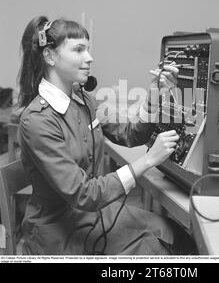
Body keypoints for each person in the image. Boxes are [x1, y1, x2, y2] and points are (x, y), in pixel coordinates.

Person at [17, 16, 194, 255]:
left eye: (87, 50)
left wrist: (155, 93)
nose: (89, 58)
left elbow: (129, 134)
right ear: (49, 56)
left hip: (91, 215)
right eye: (78, 50)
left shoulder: (83, 99)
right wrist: (149, 160)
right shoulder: (37, 121)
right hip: (58, 235)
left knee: (174, 234)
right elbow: (84, 194)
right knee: (157, 250)